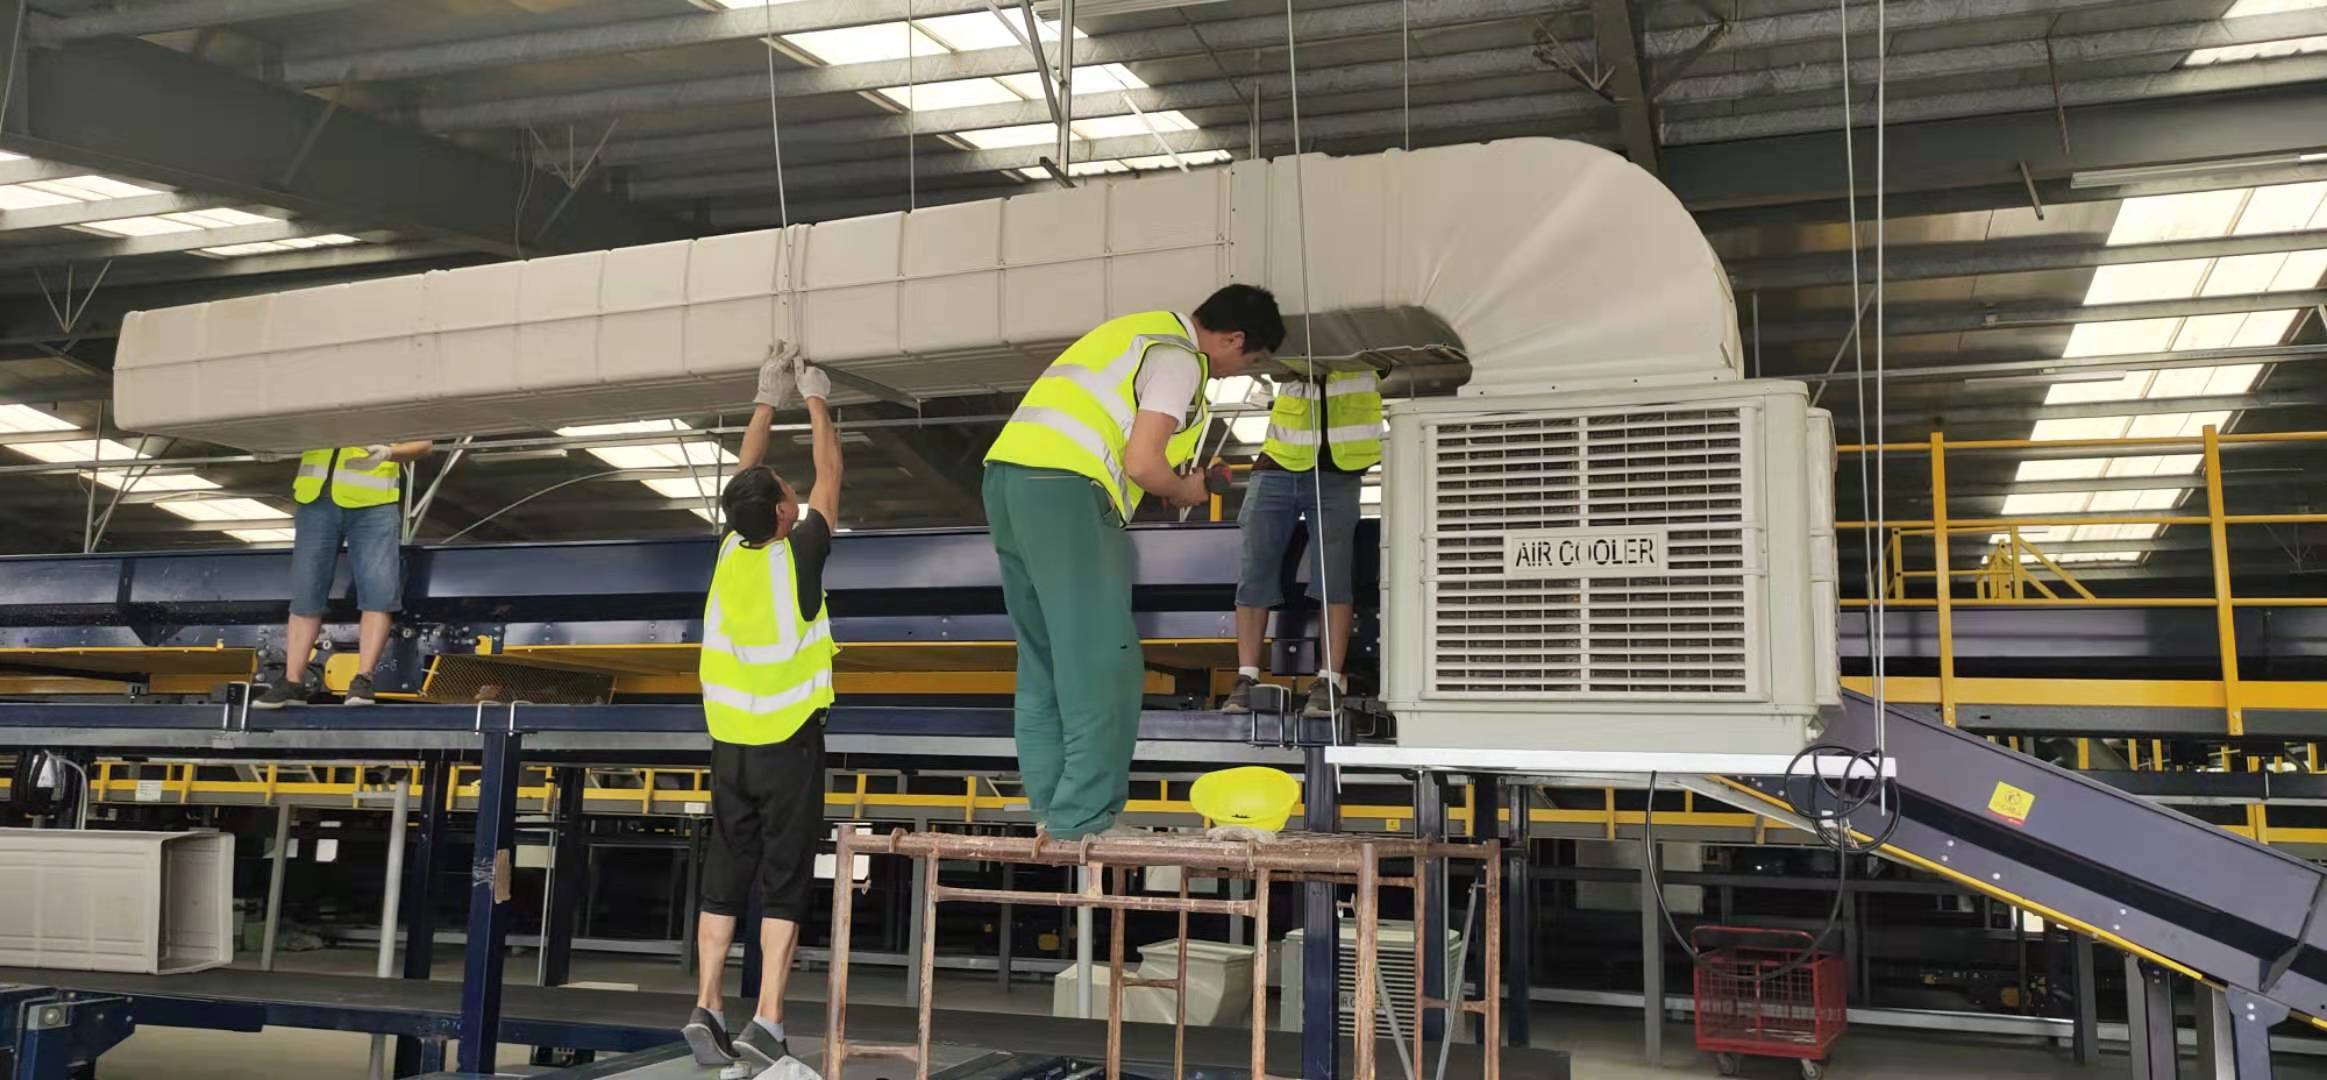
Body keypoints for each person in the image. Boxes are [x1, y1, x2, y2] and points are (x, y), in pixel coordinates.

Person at [983, 285, 1284, 840]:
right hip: (1068, 489)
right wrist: (1184, 490)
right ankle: (1086, 820)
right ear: (1233, 338)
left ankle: (1052, 810)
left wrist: (1169, 480)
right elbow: (1142, 462)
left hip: (1009, 481)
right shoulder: (1179, 358)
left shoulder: (1135, 334)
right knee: (1106, 660)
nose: (1232, 373)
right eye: (1248, 361)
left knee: (1045, 658)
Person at [684, 343, 839, 1078]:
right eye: (785, 490)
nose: (792, 489)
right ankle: (768, 1019)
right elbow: (831, 475)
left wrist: (764, 401)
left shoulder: (730, 554)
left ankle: (706, 1005)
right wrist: (816, 399)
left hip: (729, 745)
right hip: (788, 744)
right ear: (783, 512)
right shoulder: (798, 551)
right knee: (784, 877)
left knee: (725, 870)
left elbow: (745, 478)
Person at [1222, 366, 1382, 718]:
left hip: (1340, 470)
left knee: (1334, 576)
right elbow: (1265, 358)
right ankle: (1246, 677)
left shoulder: (1365, 341)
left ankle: (1328, 681)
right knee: (1255, 568)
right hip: (1279, 461)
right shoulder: (1295, 338)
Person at [252, 439, 433, 708]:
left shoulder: (391, 410)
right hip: (315, 501)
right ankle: (292, 682)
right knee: (306, 592)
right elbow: (292, 429)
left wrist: (390, 453)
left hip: (374, 504)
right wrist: (275, 444)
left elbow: (425, 443)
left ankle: (363, 680)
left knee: (378, 591)